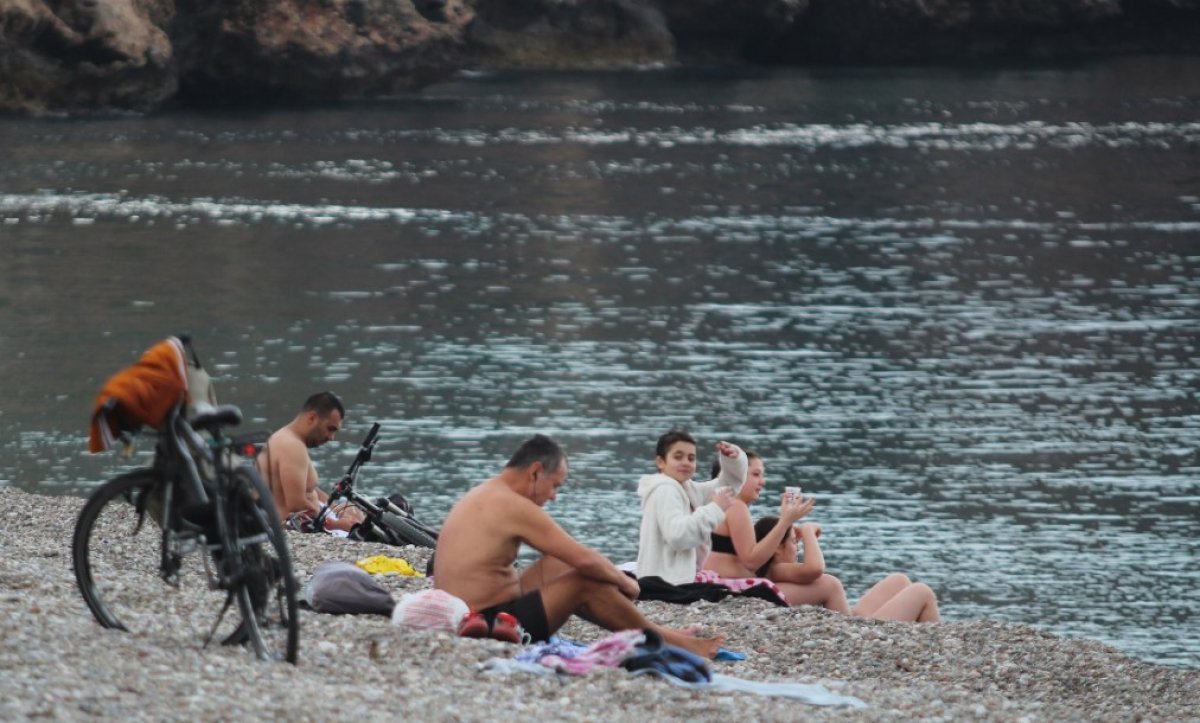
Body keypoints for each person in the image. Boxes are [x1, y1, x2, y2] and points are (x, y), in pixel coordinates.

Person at [433, 434, 725, 658]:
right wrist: (626, 582)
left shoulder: (487, 491)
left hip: (470, 611)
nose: (554, 497)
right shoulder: (513, 505)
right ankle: (670, 642)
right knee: (585, 581)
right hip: (490, 623)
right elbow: (585, 559)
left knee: (562, 563)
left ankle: (660, 632)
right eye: (556, 486)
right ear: (535, 472)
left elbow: (568, 555)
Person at [752, 516, 940, 622]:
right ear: (777, 548)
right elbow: (815, 568)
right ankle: (938, 650)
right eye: (794, 541)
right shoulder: (776, 570)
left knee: (899, 580)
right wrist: (808, 532)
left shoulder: (774, 571)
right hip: (852, 629)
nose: (798, 547)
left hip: (851, 620)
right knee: (922, 592)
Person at [635, 430, 743, 585]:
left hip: (676, 580)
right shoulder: (665, 490)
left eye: (691, 458)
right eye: (678, 457)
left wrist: (733, 460)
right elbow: (679, 536)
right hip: (664, 582)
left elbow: (728, 487)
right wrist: (715, 508)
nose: (686, 462)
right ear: (661, 462)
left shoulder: (688, 488)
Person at [256, 391, 364, 533]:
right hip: (300, 527)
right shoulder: (291, 446)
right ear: (312, 417)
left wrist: (338, 509)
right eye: (330, 429)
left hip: (317, 520)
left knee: (360, 512)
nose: (332, 437)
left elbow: (309, 490)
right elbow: (296, 504)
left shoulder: (289, 439)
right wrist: (336, 523)